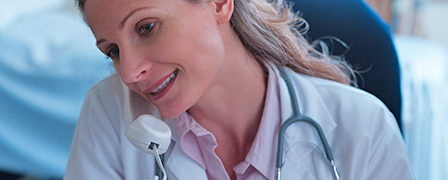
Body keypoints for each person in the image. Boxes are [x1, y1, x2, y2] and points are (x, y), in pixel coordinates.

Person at [64, 0, 415, 179]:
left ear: (219, 4)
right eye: (112, 50)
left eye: (147, 27)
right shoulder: (109, 113)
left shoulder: (364, 128)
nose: (129, 72)